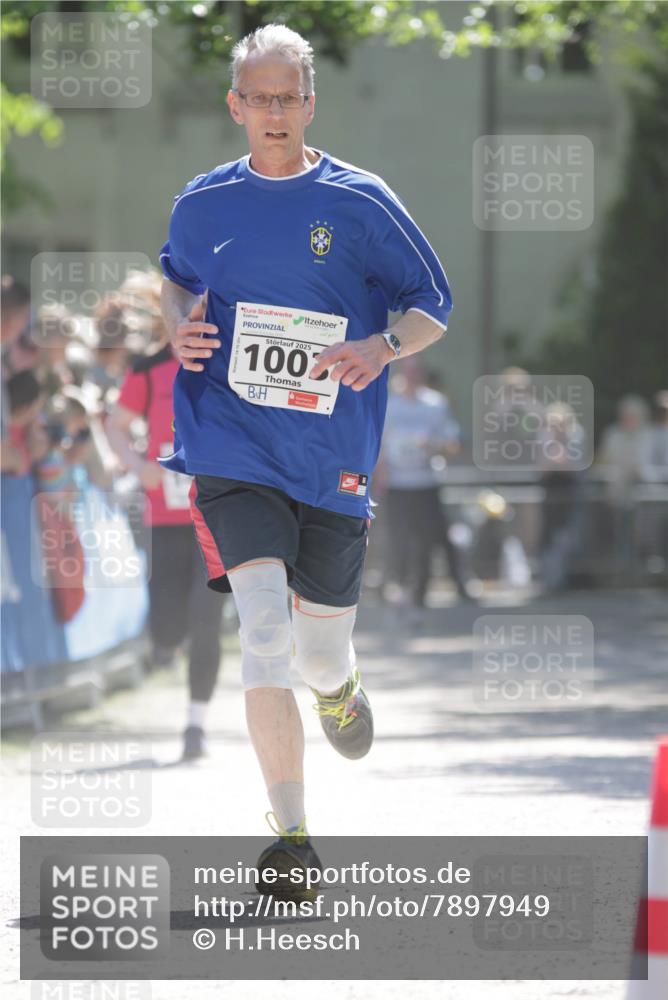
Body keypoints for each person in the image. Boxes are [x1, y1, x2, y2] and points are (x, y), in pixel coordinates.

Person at [158, 24, 452, 894]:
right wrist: (178, 321)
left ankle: (340, 686)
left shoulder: (361, 202)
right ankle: (292, 838)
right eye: (261, 97)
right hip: (230, 440)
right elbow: (173, 275)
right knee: (261, 630)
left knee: (319, 653)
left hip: (332, 456)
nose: (275, 112)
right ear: (236, 105)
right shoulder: (201, 203)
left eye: (290, 97)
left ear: (310, 104)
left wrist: (383, 346)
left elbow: (432, 306)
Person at [107, 271, 224, 761]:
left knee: (207, 617)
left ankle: (195, 725)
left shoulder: (224, 362)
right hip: (164, 518)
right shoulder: (148, 368)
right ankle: (165, 644)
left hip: (217, 517)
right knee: (167, 626)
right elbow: (114, 425)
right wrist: (139, 468)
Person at [376, 356, 474, 621]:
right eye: (407, 373)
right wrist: (380, 475)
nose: (412, 378)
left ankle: (423, 593)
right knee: (397, 541)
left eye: (416, 373)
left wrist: (433, 445)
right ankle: (395, 590)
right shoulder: (389, 405)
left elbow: (452, 443)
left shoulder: (435, 404)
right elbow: (379, 445)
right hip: (397, 485)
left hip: (426, 483)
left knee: (430, 540)